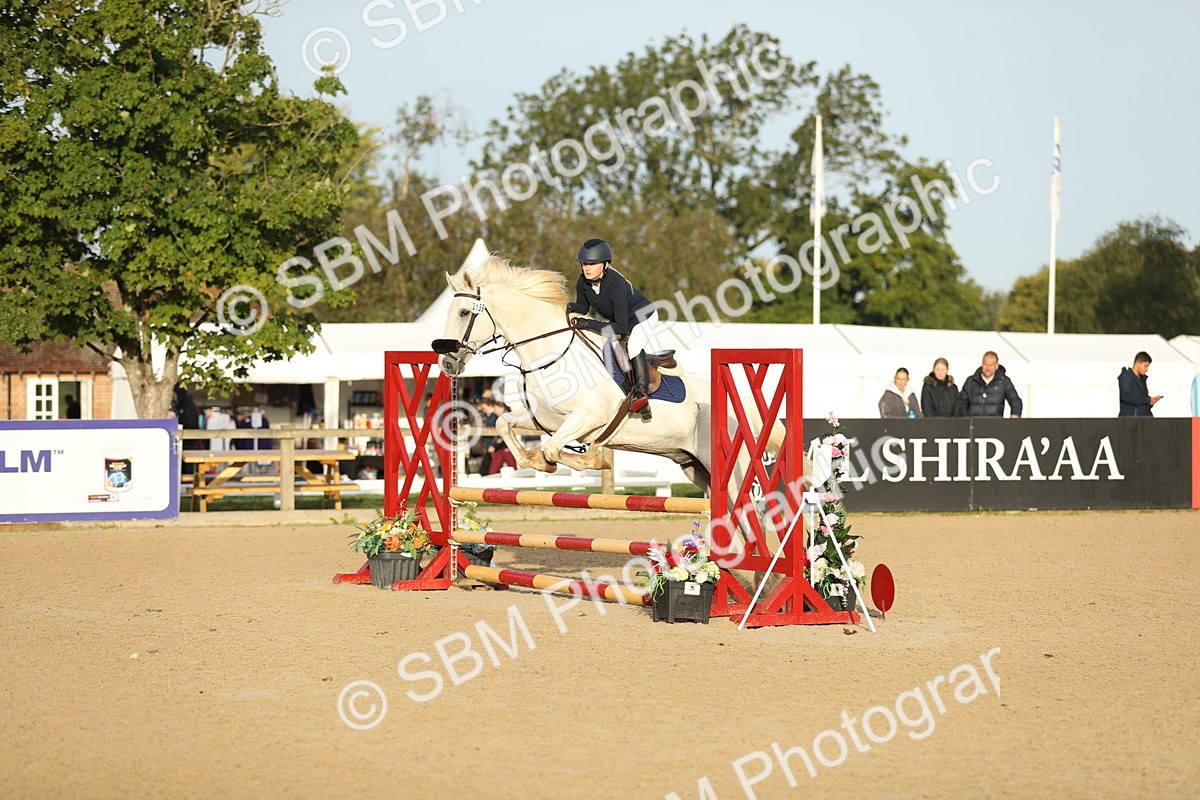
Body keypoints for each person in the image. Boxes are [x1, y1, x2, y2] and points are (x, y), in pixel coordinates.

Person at [566, 238, 660, 419]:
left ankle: (641, 395)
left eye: (592, 264)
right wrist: (569, 307)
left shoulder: (616, 285)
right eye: (584, 263)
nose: (587, 268)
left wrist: (588, 324)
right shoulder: (583, 282)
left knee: (633, 347)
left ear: (605, 264)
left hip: (643, 318)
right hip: (621, 321)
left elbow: (620, 327)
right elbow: (583, 308)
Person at [955, 351, 1023, 418]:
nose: (988, 368)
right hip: (974, 425)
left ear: (996, 366)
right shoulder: (971, 381)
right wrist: (966, 420)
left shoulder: (1004, 382)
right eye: (985, 364)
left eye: (991, 365)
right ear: (982, 364)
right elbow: (961, 403)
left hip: (995, 425)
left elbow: (1015, 400)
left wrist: (1015, 415)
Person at [1117, 351, 1162, 417]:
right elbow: (1126, 396)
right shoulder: (1126, 377)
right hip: (1131, 421)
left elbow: (1140, 405)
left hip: (1143, 421)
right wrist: (1147, 399)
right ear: (1138, 363)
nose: (1147, 369)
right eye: (1145, 366)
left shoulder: (1142, 379)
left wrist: (1150, 403)